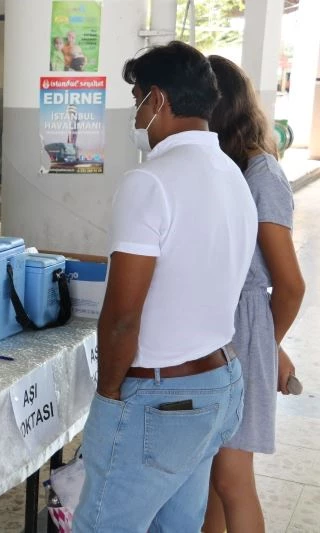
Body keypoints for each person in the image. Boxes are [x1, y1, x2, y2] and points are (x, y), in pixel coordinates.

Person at [72, 41, 257, 532]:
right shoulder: (233, 176)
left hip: (161, 397)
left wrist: (109, 396)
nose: (135, 115)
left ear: (157, 99)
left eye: (136, 99)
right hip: (218, 385)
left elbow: (123, 314)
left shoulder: (151, 182)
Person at [202, 56, 305, 533]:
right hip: (225, 327)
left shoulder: (261, 174)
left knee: (232, 478)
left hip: (243, 330)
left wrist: (269, 343)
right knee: (214, 479)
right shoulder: (225, 165)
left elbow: (291, 284)